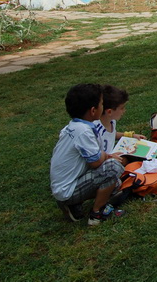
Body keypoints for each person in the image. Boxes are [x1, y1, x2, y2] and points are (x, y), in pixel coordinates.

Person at [50, 83, 125, 225]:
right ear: (93, 110)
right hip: (67, 190)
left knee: (115, 184)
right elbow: (96, 162)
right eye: (101, 104)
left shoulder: (73, 126)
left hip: (63, 186)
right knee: (113, 167)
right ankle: (97, 213)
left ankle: (73, 205)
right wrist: (108, 156)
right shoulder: (84, 131)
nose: (103, 107)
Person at [92, 85, 145, 154]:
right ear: (109, 112)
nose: (124, 111)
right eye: (122, 108)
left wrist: (130, 136)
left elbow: (111, 135)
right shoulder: (95, 130)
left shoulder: (111, 121)